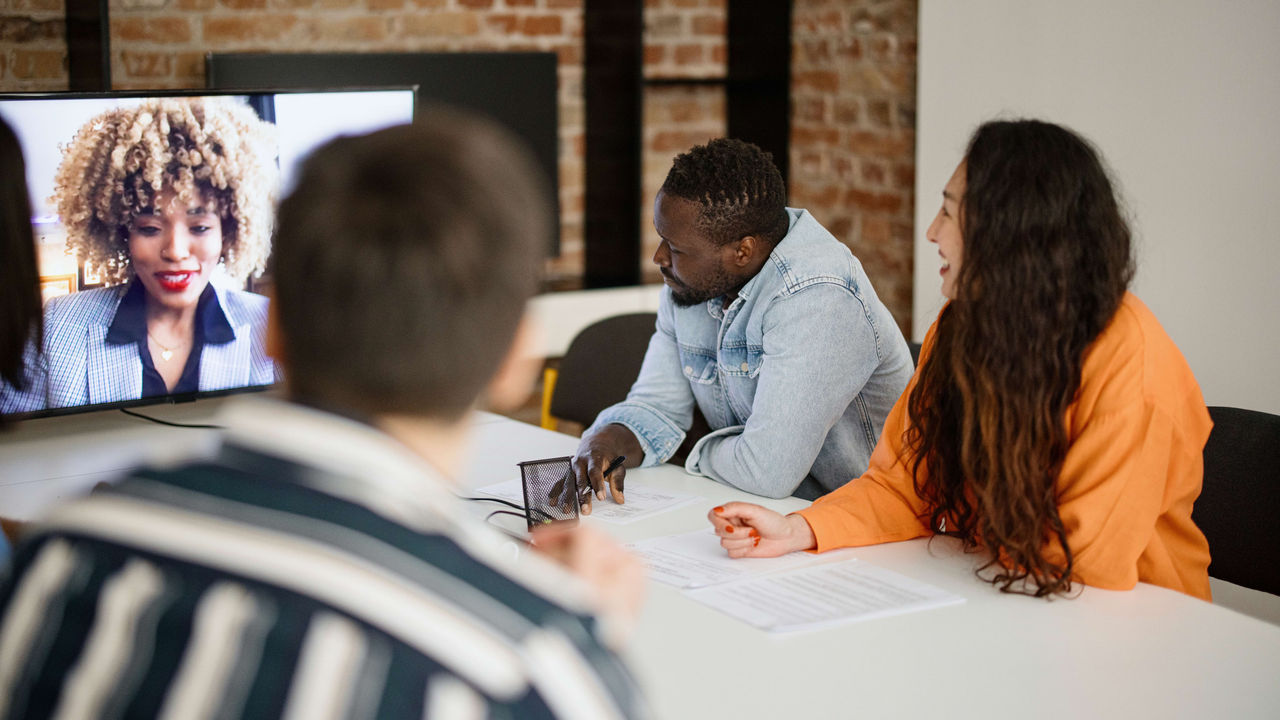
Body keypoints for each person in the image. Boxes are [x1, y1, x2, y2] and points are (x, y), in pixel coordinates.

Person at [0, 115, 647, 717]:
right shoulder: (534, 667)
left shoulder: (56, 559)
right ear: (517, 361)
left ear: (270, 327)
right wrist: (562, 629)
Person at [708, 119, 1212, 600]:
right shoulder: (960, 327)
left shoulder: (1133, 365)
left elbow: (1081, 568)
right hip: (1003, 590)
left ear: (1010, 232)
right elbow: (903, 487)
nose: (931, 231)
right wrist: (798, 529)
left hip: (1129, 631)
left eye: (949, 211)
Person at [568, 138, 914, 510]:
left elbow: (766, 472)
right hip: (769, 514)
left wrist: (683, 444)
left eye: (677, 249)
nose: (659, 257)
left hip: (868, 523)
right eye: (661, 237)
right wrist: (608, 438)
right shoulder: (691, 284)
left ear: (742, 251)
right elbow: (657, 406)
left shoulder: (818, 295)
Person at [0, 97, 277, 413]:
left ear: (228, 233)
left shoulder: (268, 325)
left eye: (199, 227)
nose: (175, 251)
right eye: (149, 228)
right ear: (122, 232)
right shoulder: (57, 328)